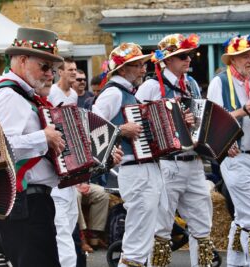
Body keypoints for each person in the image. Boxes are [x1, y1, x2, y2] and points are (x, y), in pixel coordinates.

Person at [0, 27, 66, 267]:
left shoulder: (21, 95)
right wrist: (44, 138)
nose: (50, 74)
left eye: (52, 69)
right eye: (44, 67)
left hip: (32, 202)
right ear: (21, 59)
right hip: (24, 203)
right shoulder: (8, 94)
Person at [136, 33, 214, 267]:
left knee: (203, 225)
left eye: (188, 55)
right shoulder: (150, 86)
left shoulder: (190, 85)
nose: (188, 60)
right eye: (182, 56)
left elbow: (200, 119)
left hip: (194, 162)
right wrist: (170, 122)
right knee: (161, 226)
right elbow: (136, 118)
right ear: (167, 60)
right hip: (168, 163)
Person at [93, 42, 162, 267]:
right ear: (122, 70)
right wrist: (121, 130)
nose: (144, 69)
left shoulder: (127, 93)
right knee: (138, 236)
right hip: (134, 169)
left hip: (144, 169)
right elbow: (91, 126)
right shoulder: (113, 92)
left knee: (143, 234)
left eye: (143, 64)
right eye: (138, 65)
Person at [207, 34, 250, 267]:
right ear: (232, 59)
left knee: (243, 216)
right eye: (245, 55)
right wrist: (243, 110)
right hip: (235, 158)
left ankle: (235, 263)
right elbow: (211, 120)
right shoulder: (220, 82)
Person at [48, 58, 80, 267]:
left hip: (71, 165)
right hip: (56, 159)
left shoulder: (75, 95)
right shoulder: (51, 93)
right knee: (62, 233)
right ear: (60, 72)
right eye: (70, 70)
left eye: (76, 70)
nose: (74, 74)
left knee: (71, 221)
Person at [76, 183, 109, 250]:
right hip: (59, 186)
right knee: (75, 196)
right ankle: (81, 235)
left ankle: (93, 233)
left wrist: (83, 183)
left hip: (76, 181)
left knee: (103, 193)